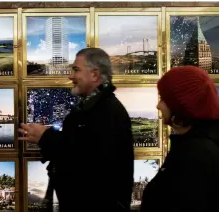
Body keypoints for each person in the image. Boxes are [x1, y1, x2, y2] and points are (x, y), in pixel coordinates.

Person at [18, 48, 134, 212]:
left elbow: (87, 162)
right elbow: (80, 146)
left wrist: (46, 137)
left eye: (76, 70)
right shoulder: (93, 108)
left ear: (94, 75)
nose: (70, 76)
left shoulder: (106, 111)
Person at [140, 65, 219, 212]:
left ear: (181, 106)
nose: (158, 105)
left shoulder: (196, 155)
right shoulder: (204, 146)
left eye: (163, 98)